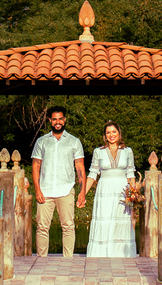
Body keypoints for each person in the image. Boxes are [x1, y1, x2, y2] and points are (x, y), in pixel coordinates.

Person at [31, 106, 86, 258]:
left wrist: (82, 192)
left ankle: (67, 261)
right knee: (42, 227)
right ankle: (41, 260)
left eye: (60, 119)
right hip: (45, 190)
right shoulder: (42, 142)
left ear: (65, 120)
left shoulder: (74, 142)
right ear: (50, 120)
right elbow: (36, 166)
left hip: (66, 189)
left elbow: (80, 167)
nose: (58, 122)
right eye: (54, 119)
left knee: (68, 226)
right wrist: (37, 190)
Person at [77, 120, 137, 257]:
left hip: (123, 191)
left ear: (119, 133)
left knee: (121, 221)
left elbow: (130, 173)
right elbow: (92, 174)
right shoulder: (98, 152)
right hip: (104, 190)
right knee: (104, 220)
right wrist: (83, 194)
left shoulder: (128, 151)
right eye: (108, 133)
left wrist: (134, 194)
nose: (111, 135)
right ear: (105, 135)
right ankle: (101, 255)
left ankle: (122, 255)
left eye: (114, 132)